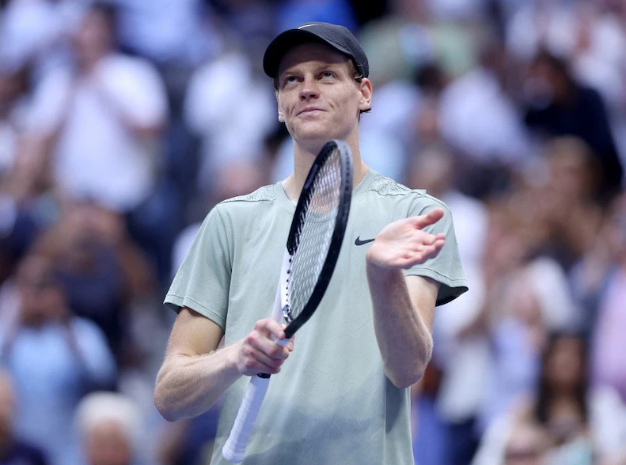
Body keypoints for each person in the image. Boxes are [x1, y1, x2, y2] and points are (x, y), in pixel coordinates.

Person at [154, 22, 468, 465]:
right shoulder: (230, 220)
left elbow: (408, 368)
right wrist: (235, 357)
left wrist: (383, 276)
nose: (306, 89)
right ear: (279, 106)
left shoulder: (415, 215)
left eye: (326, 75)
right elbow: (170, 395)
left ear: (365, 94)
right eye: (291, 80)